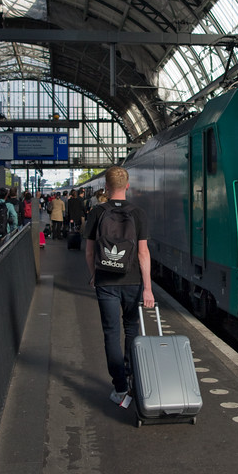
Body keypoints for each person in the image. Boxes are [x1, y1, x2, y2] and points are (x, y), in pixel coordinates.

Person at [84, 166, 154, 406]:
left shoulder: (96, 212)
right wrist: (148, 288)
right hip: (133, 280)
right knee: (132, 331)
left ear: (105, 185)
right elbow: (143, 253)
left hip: (106, 281)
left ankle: (120, 387)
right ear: (127, 186)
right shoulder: (138, 213)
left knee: (111, 334)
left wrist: (94, 274)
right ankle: (134, 378)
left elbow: (90, 251)